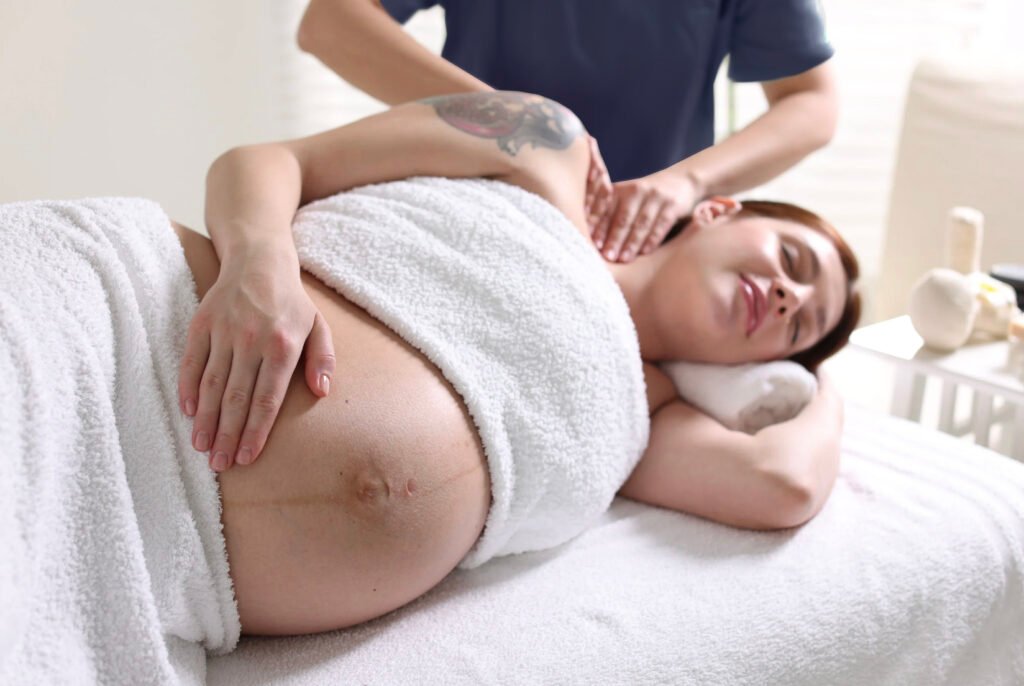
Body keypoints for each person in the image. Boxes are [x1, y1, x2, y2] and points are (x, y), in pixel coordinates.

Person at [170, 90, 859, 634]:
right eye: (790, 263)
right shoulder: (544, 145)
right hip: (149, 332)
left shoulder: (647, 415)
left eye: (799, 322)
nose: (783, 295)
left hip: (173, 571)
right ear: (719, 213)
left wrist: (814, 380)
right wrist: (260, 263)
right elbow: (269, 160)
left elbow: (783, 484)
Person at [296, 0, 839, 264]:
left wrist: (688, 182)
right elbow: (331, 22)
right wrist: (520, 126)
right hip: (467, 220)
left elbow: (812, 101)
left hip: (636, 249)